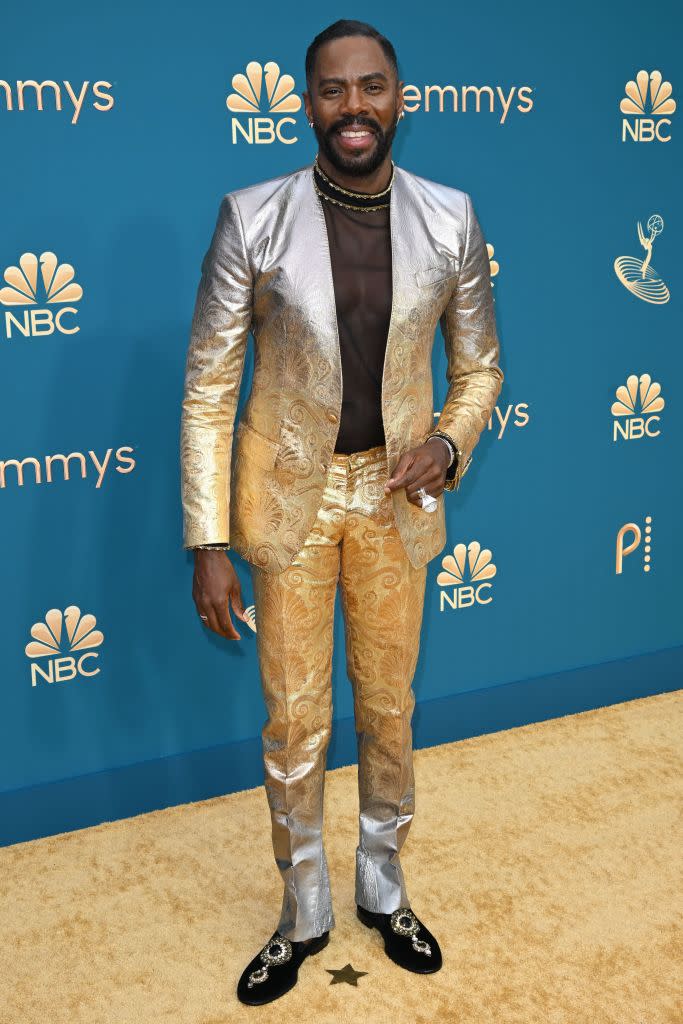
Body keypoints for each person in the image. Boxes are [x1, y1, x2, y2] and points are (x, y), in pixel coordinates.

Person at [179, 18, 504, 1006]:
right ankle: (302, 903)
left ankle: (380, 877)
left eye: (370, 86)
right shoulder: (252, 216)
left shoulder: (450, 217)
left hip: (394, 496)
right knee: (294, 716)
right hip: (288, 501)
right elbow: (207, 388)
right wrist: (206, 538)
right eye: (332, 89)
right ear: (307, 102)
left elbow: (479, 368)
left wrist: (447, 443)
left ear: (399, 97)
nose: (352, 106)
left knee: (389, 705)